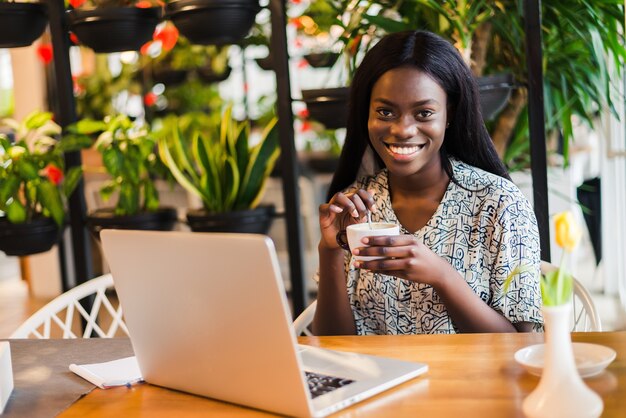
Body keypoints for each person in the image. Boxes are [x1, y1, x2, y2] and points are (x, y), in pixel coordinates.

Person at [313, 30, 542, 335]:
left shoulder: (499, 204)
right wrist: (330, 250)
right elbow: (333, 345)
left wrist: (442, 277)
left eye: (423, 113)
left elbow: (523, 345)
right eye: (384, 111)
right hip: (382, 382)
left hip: (472, 383)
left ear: (449, 114)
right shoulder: (356, 207)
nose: (403, 129)